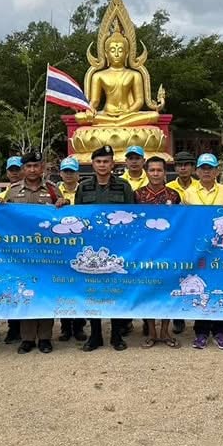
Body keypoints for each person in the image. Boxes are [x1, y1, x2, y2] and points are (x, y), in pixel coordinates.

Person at [76, 145, 135, 351]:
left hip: (117, 246)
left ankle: (116, 335)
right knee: (93, 290)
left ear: (113, 164)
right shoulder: (83, 187)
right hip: (91, 248)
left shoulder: (124, 186)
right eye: (98, 161)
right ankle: (95, 335)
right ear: (92, 164)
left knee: (116, 289)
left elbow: (131, 217)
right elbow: (78, 218)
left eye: (106, 161)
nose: (102, 165)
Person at [1, 151, 60, 354]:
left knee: (45, 292)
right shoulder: (12, 191)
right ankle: (27, 338)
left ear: (42, 167)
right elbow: (3, 219)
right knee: (25, 291)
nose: (32, 170)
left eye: (36, 165)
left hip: (47, 252)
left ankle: (45, 337)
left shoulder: (52, 189)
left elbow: (62, 218)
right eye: (28, 166)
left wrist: (62, 205)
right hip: (22, 253)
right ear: (23, 169)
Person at [182, 153, 223, 349]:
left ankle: (220, 331)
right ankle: (201, 331)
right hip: (198, 248)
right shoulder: (188, 193)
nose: (206, 172)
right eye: (203, 168)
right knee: (201, 286)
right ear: (197, 171)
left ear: (217, 171)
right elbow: (184, 220)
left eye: (210, 168)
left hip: (220, 249)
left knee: (220, 285)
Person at [134, 156, 182, 348]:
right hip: (145, 250)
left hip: (168, 249)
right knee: (147, 289)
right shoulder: (137, 195)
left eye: (159, 170)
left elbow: (181, 221)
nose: (155, 173)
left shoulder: (174, 195)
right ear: (146, 172)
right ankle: (152, 332)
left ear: (165, 172)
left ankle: (165, 331)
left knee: (168, 288)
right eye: (152, 170)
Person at [54, 156, 87, 342]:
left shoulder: (84, 190)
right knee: (63, 285)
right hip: (59, 244)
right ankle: (65, 327)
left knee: (80, 285)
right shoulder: (53, 190)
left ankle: (79, 326)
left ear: (78, 174)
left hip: (82, 242)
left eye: (72, 171)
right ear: (60, 173)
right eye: (65, 171)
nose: (68, 175)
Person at [164, 150, 197, 335]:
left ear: (193, 168)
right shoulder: (168, 188)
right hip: (175, 239)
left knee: (197, 274)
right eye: (179, 165)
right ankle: (178, 318)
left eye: (186, 165)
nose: (183, 168)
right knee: (176, 276)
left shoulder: (201, 186)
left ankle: (200, 317)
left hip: (196, 238)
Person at [0, 155, 25, 341]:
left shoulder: (44, 190)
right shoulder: (2, 195)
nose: (15, 173)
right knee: (12, 285)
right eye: (11, 170)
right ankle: (14, 328)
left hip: (34, 246)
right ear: (7, 172)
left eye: (18, 169)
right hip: (11, 248)